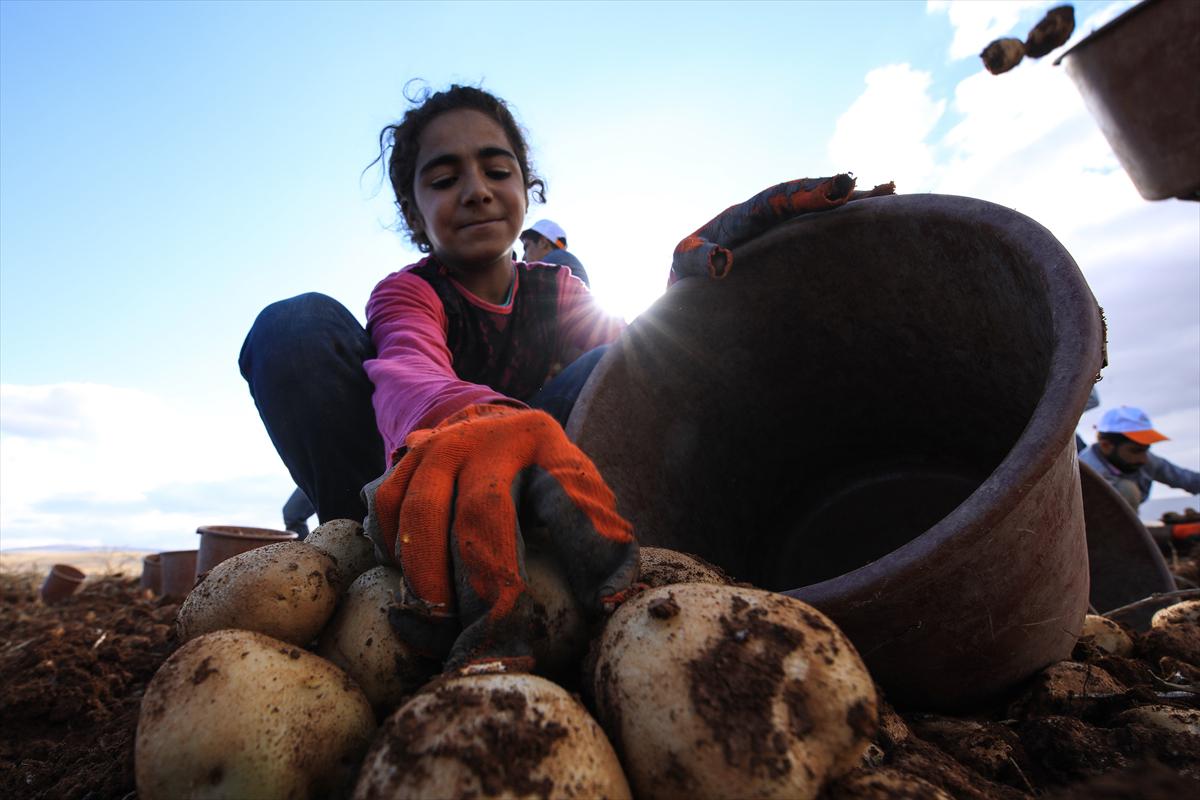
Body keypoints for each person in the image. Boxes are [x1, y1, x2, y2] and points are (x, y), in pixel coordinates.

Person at [239, 83, 890, 671]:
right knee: (292, 328)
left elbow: (631, 367)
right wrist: (477, 420)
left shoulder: (555, 291)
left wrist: (690, 297)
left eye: (498, 169)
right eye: (443, 179)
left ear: (528, 188)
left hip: (529, 492)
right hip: (408, 487)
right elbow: (410, 373)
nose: (476, 190)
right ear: (414, 212)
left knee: (638, 358)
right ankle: (360, 573)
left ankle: (566, 565)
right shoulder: (408, 295)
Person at [1079, 405, 1200, 509]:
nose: (1144, 459)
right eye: (1136, 450)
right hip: (1092, 530)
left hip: (1125, 526)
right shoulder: (1082, 476)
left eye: (1146, 450)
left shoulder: (1146, 460)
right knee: (1126, 490)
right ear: (1106, 445)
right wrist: (1173, 531)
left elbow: (1186, 479)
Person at [519, 218, 590, 286]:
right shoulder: (565, 261)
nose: (523, 258)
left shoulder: (556, 258)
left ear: (543, 243)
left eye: (526, 247)